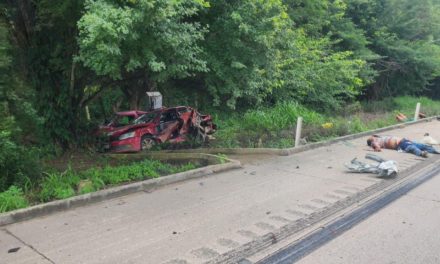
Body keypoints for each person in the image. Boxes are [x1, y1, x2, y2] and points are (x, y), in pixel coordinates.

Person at [366, 135, 440, 158]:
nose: (373, 137)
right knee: (412, 147)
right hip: (400, 144)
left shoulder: (379, 138)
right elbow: (378, 148)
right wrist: (375, 148)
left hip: (404, 140)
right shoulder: (374, 142)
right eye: (371, 138)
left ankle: (436, 151)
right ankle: (421, 153)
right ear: (371, 141)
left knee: (422, 145)